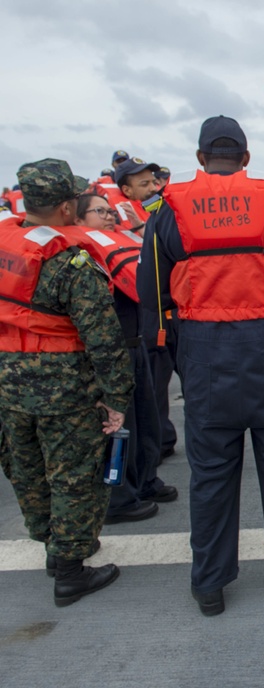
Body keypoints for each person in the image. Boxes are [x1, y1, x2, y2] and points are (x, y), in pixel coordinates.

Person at [138, 116, 264, 615]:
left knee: (212, 473)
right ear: (245, 158)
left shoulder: (168, 209)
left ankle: (210, 584)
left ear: (200, 159)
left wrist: (175, 346)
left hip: (203, 352)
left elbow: (151, 292)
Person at [0, 159, 133, 606]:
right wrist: (117, 398)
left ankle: (52, 550)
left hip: (7, 382)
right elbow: (104, 339)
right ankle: (72, 571)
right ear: (64, 206)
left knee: (27, 470)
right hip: (63, 386)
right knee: (74, 475)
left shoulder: (6, 243)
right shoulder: (71, 262)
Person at [74, 194, 176, 524]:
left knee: (146, 418)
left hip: (137, 343)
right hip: (110, 350)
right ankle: (117, 499)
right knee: (118, 425)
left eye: (109, 210)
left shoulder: (120, 239)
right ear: (78, 219)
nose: (108, 216)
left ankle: (145, 482)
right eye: (98, 211)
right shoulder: (81, 253)